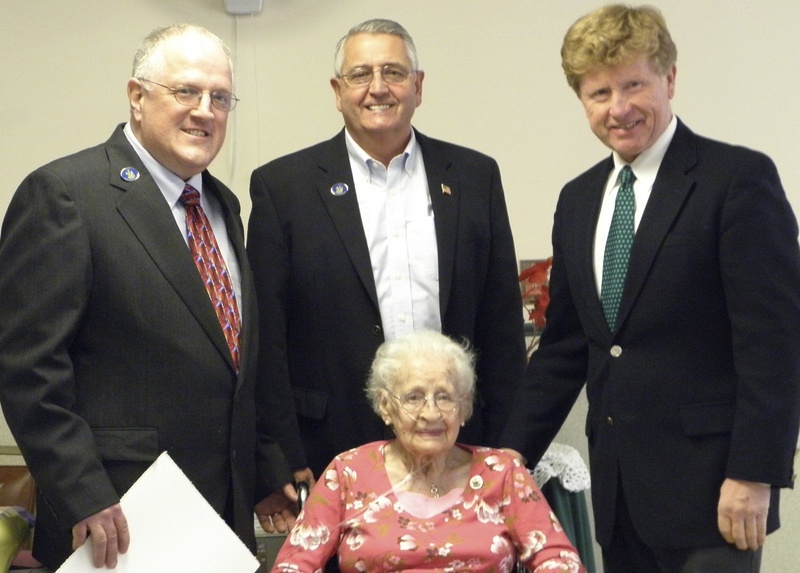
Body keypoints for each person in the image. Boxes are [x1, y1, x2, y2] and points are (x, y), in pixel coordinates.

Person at [501, 5, 800, 573]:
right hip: (620, 500)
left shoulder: (736, 180)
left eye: (633, 84)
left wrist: (755, 472)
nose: (618, 108)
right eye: (598, 93)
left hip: (717, 496)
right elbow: (568, 345)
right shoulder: (579, 199)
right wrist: (511, 453)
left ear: (670, 78)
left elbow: (775, 344)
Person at [0, 24, 298, 570]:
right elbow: (26, 369)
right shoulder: (67, 194)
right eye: (185, 91)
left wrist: (259, 469)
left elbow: (227, 361)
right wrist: (82, 491)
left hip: (217, 523)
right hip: (114, 520)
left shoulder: (223, 206)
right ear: (137, 96)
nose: (205, 110)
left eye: (220, 98)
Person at [247, 18, 526, 482]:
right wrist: (284, 455)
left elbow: (501, 324)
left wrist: (508, 443)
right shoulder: (284, 188)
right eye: (360, 75)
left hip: (460, 445)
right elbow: (268, 337)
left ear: (418, 86)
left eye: (394, 73)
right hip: (332, 448)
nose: (378, 88)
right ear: (338, 91)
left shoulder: (475, 178)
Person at [270, 330, 585, 572]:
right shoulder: (349, 472)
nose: (431, 413)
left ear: (464, 408)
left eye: (445, 397)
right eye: (413, 398)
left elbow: (559, 560)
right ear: (385, 406)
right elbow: (294, 563)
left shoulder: (501, 473)